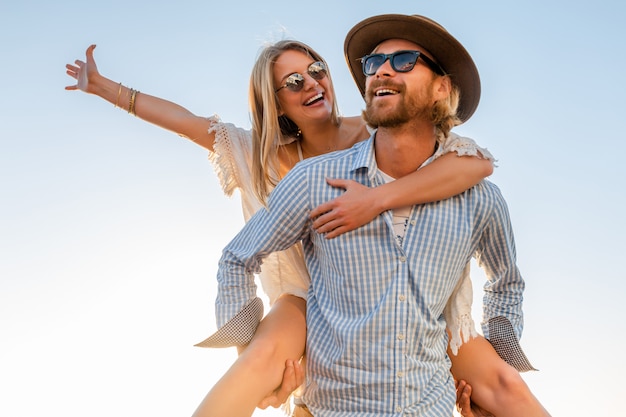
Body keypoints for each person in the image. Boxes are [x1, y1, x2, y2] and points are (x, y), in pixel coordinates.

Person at [65, 39, 493, 416]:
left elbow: (475, 164)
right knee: (259, 363)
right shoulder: (257, 153)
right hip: (305, 301)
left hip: (389, 297)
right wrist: (104, 88)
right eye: (293, 82)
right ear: (275, 102)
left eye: (316, 71)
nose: (311, 84)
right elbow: (183, 120)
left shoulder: (377, 132)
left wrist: (377, 199)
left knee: (500, 387)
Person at [211, 13, 552, 417]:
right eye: (373, 63)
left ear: (442, 88)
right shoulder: (314, 180)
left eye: (404, 61)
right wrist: (248, 353)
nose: (382, 70)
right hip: (331, 404)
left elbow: (507, 281)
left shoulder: (478, 198)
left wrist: (496, 363)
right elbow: (237, 257)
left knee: (513, 393)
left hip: (432, 405)